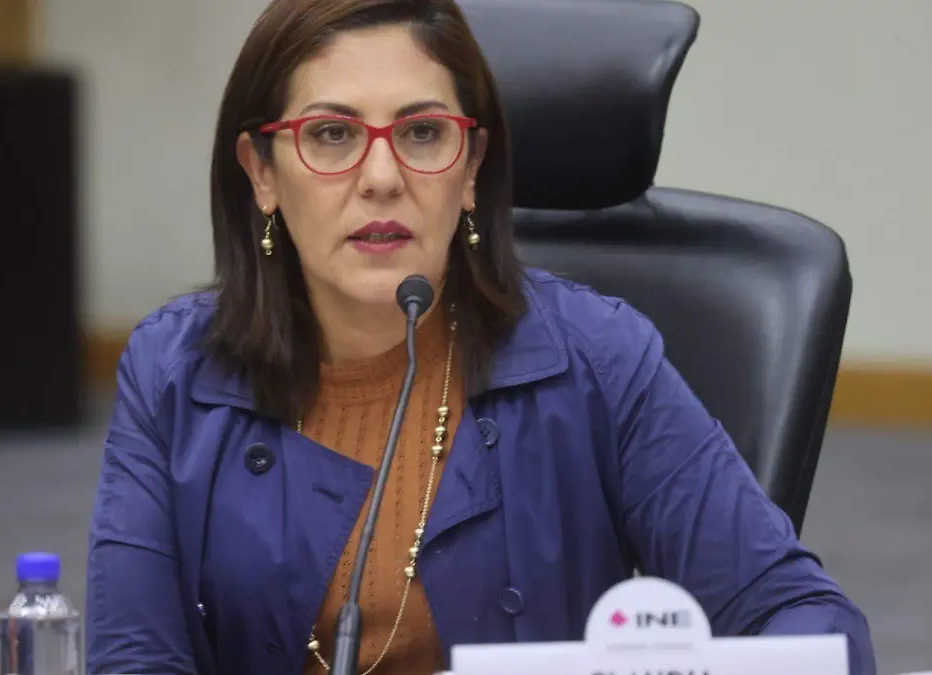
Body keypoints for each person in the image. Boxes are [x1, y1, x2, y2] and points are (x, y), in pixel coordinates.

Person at [85, 0, 875, 673]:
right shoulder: (172, 371)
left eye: (423, 133)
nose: (382, 177)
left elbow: (803, 618)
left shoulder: (599, 356)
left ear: (470, 168)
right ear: (262, 171)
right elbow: (134, 658)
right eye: (331, 135)